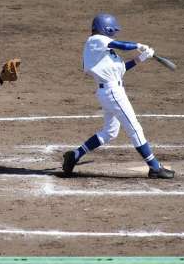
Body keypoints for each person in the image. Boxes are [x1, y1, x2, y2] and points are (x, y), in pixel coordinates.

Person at [62, 14, 175, 179]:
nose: (114, 33)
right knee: (134, 128)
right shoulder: (95, 40)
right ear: (105, 28)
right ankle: (155, 167)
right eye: (112, 30)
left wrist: (140, 58)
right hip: (112, 93)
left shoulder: (104, 52)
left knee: (110, 132)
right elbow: (121, 45)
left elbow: (120, 70)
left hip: (111, 91)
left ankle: (75, 155)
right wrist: (138, 45)